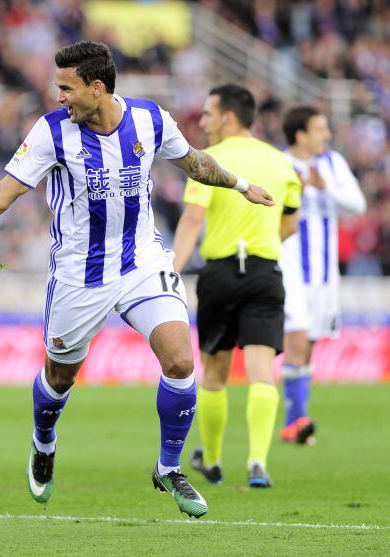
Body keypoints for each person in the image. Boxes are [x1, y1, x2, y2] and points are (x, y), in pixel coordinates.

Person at [0, 41, 274, 518]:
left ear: (97, 87)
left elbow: (195, 162)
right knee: (60, 376)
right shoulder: (51, 132)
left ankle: (168, 468)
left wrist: (242, 186)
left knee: (181, 361)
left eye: (67, 87)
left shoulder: (151, 120)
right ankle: (44, 439)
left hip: (142, 261)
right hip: (79, 276)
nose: (59, 96)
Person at [172, 85, 302, 488]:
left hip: (221, 273)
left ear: (229, 117)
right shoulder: (281, 162)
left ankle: (211, 461)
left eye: (208, 114)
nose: (204, 122)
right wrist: (263, 248)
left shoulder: (211, 161)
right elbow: (291, 223)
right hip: (265, 273)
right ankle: (258, 463)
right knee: (263, 369)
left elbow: (193, 220)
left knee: (214, 370)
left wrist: (171, 270)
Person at [278, 106, 366, 444]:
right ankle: (295, 422)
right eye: (320, 129)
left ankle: (296, 419)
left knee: (308, 347)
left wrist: (323, 185)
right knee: (297, 341)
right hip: (291, 269)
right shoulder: (281, 164)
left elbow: (357, 204)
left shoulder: (332, 164)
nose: (326, 136)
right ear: (300, 134)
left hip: (325, 274)